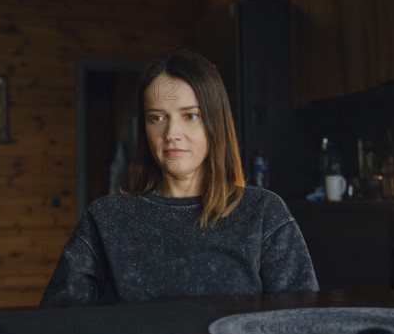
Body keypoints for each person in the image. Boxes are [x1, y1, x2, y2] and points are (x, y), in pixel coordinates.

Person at [41, 49, 319, 305]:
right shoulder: (105, 217)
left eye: (190, 116)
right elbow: (59, 320)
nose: (171, 132)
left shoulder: (263, 212)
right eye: (157, 118)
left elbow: (301, 320)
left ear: (215, 121)